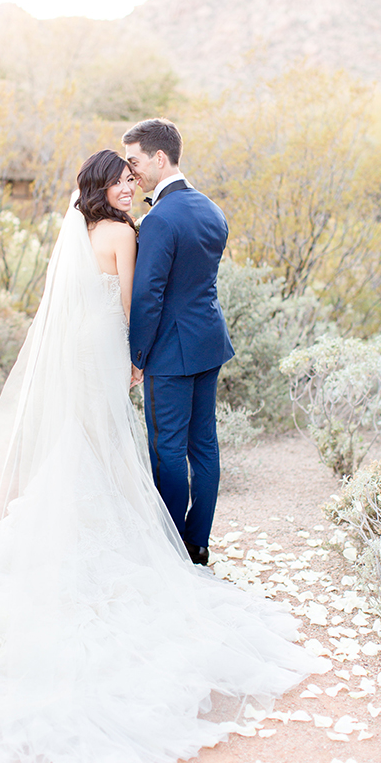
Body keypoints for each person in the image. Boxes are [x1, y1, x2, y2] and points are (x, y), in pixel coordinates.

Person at [0, 150, 325, 763]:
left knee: (84, 440)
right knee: (107, 441)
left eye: (133, 179)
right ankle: (131, 540)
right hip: (107, 345)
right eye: (123, 182)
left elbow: (82, 303)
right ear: (106, 187)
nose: (131, 188)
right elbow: (131, 302)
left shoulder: (83, 228)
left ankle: (64, 532)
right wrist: (134, 360)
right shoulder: (124, 232)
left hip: (77, 344)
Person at [124, 119, 233, 567]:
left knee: (167, 448)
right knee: (203, 445)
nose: (132, 173)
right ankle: (198, 543)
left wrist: (137, 356)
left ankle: (169, 545)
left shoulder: (158, 220)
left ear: (159, 158)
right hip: (209, 342)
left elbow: (148, 297)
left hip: (170, 351)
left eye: (134, 162)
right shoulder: (212, 210)